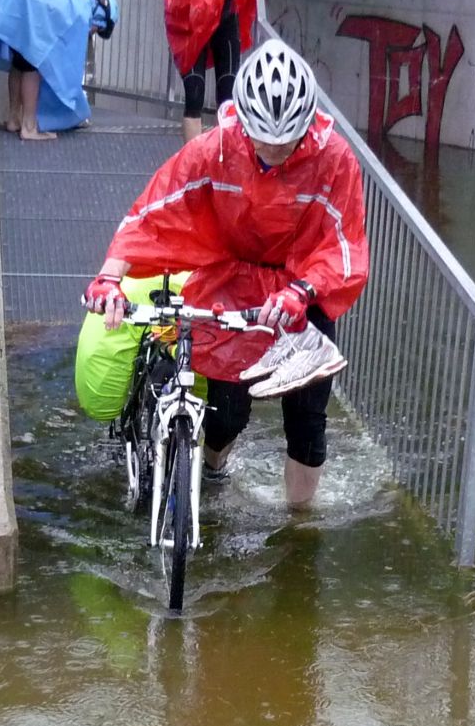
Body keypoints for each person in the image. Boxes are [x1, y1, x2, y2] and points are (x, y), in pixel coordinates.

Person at [83, 39, 369, 508]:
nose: (274, 154)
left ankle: (300, 528)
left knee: (308, 420)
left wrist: (303, 289)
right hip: (233, 282)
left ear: (307, 128)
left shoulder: (334, 159)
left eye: (286, 144)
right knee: (226, 411)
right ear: (245, 126)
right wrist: (109, 276)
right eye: (263, 142)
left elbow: (345, 243)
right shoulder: (215, 149)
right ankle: (213, 477)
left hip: (302, 289)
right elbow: (155, 209)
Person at [0, 0, 118, 139]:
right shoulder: (82, 9)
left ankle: (14, 118)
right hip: (35, 4)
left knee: (19, 61)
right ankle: (29, 127)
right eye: (98, 29)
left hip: (20, 0)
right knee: (34, 63)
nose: (92, 32)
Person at [164, 0, 261, 142]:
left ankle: (222, 159)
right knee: (194, 96)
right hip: (191, 17)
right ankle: (194, 161)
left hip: (225, 14)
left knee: (227, 98)